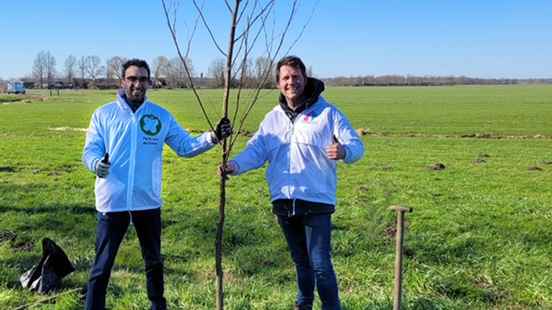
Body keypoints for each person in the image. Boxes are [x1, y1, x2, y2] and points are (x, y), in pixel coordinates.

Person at [82, 59, 232, 310]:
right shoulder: (104, 114)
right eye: (132, 78)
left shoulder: (160, 116)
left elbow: (185, 147)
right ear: (123, 81)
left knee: (153, 262)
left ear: (149, 82)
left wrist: (214, 136)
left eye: (142, 79)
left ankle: (157, 305)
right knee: (102, 265)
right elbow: (90, 151)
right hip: (112, 201)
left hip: (147, 201)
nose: (137, 84)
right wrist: (96, 163)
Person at [220, 56, 364, 310]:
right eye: (285, 78)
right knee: (300, 261)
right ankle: (303, 304)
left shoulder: (327, 113)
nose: (291, 82)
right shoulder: (273, 118)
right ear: (278, 83)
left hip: (317, 198)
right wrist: (235, 165)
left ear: (305, 79)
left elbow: (357, 146)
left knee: (320, 263)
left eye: (295, 76)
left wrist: (344, 151)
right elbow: (256, 150)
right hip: (284, 200)